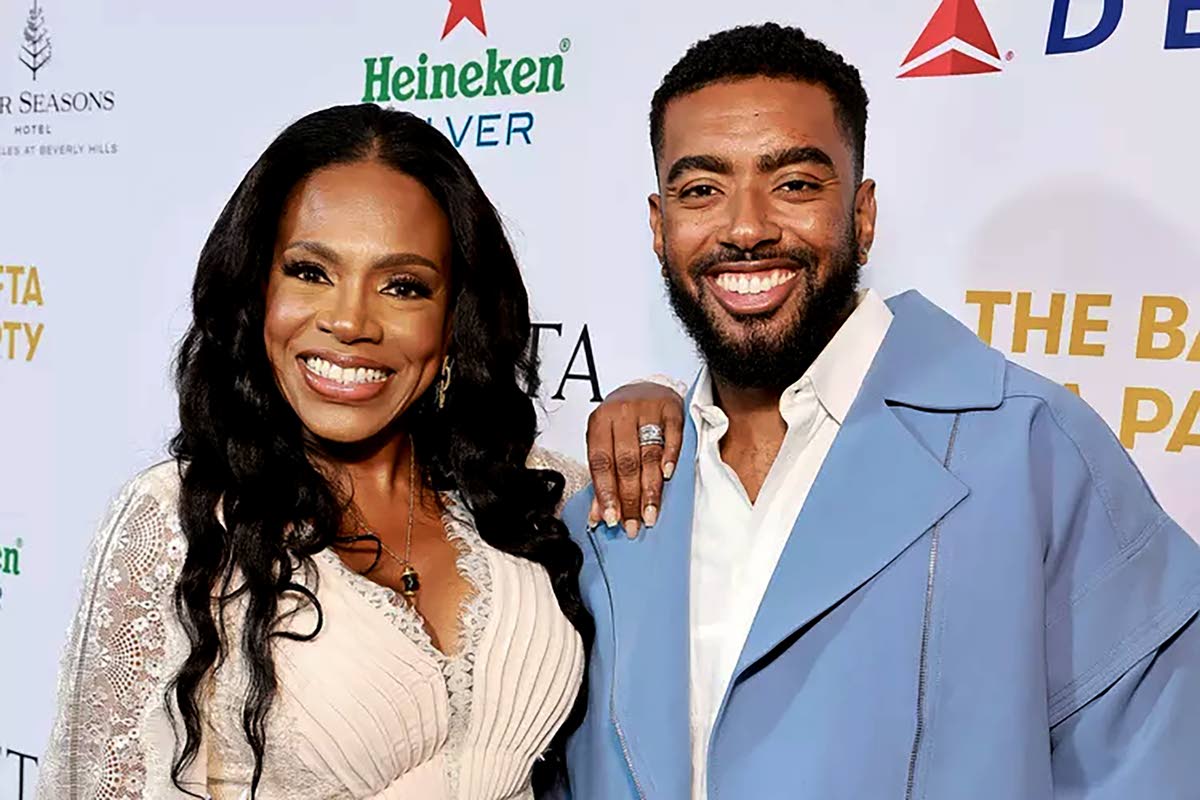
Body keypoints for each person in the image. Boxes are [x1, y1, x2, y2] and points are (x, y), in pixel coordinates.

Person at [563, 23, 1200, 799]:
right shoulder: (619, 487)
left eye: (795, 183)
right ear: (660, 229)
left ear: (862, 216)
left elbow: (1151, 764)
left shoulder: (1032, 447)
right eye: (702, 190)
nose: (746, 227)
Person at [37, 104, 684, 800]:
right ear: (258, 290)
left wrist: (660, 391)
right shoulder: (179, 520)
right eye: (311, 272)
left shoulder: (525, 490)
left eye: (402, 286)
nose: (349, 321)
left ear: (452, 316)